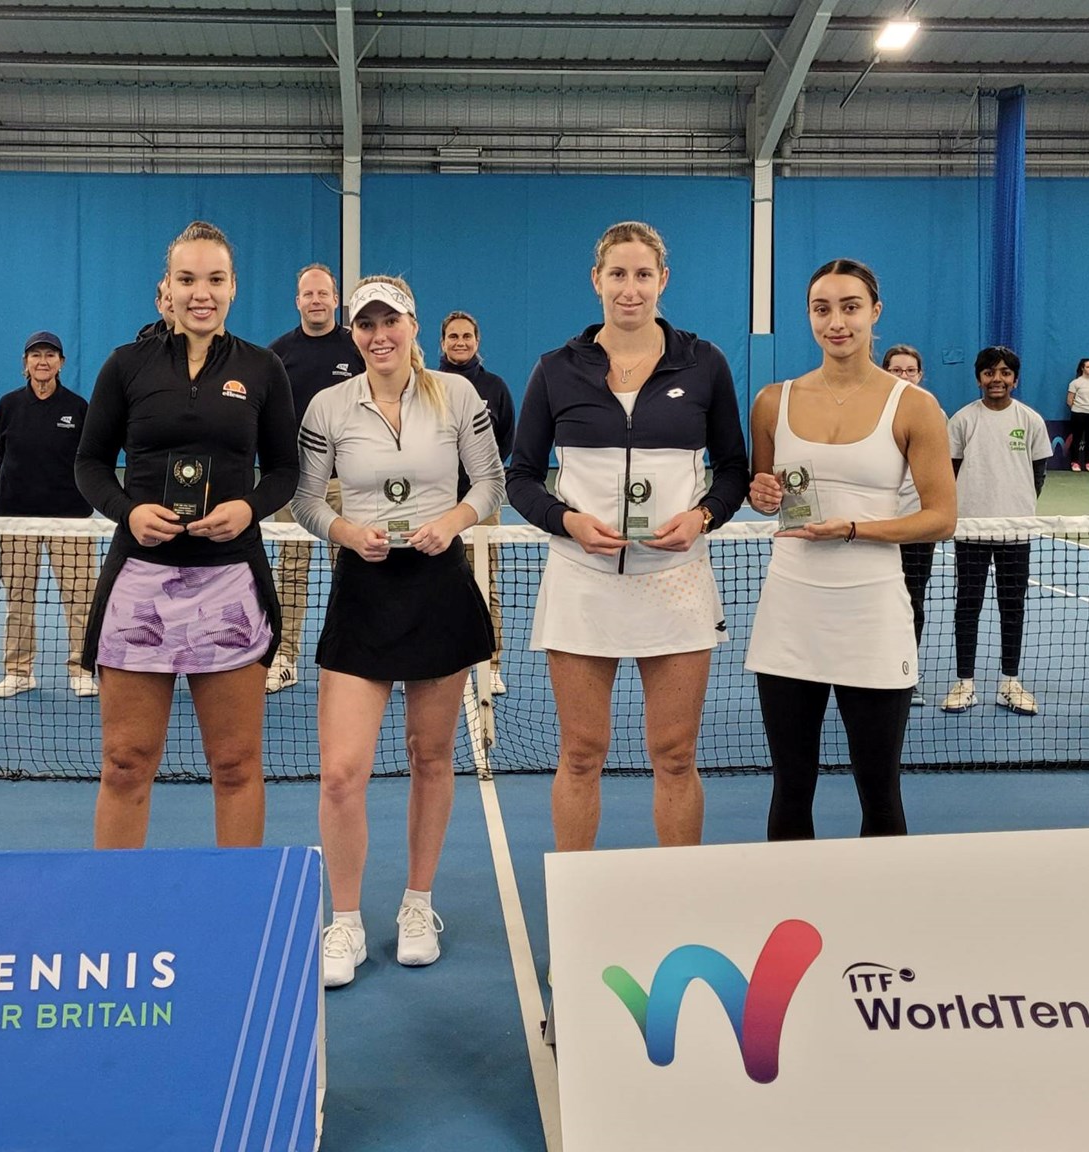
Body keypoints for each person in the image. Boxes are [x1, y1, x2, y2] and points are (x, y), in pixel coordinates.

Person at [506, 221, 749, 852]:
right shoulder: (555, 370)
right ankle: (579, 906)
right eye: (618, 274)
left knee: (674, 755)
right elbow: (522, 479)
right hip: (582, 585)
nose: (630, 289)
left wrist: (702, 517)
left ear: (663, 280)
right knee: (581, 754)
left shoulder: (705, 364)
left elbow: (734, 470)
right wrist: (569, 522)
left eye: (644, 275)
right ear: (597, 280)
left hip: (677, 585)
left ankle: (677, 905)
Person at [295, 276, 503, 988]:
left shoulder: (460, 397)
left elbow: (490, 484)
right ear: (353, 334)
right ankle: (345, 922)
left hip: (439, 587)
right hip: (364, 589)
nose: (379, 334)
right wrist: (346, 529)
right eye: (366, 324)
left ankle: (418, 905)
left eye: (391, 320)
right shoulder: (328, 406)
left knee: (431, 757)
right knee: (341, 772)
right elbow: (302, 499)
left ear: (413, 324)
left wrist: (453, 521)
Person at [74, 221, 298, 850]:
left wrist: (249, 509)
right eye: (188, 278)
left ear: (233, 289)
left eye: (215, 279)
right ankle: (117, 904)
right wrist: (127, 511)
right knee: (124, 763)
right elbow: (89, 464)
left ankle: (239, 905)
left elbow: (286, 470)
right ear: (166, 289)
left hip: (231, 584)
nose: (202, 292)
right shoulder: (126, 366)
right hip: (139, 586)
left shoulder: (263, 368)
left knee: (235, 766)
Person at [745, 259, 954, 839]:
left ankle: (880, 921)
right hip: (791, 611)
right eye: (822, 308)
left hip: (873, 612)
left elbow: (942, 517)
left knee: (880, 787)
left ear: (874, 313)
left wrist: (855, 529)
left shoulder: (914, 406)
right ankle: (794, 916)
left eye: (850, 307)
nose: (836, 322)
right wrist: (759, 494)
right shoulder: (771, 402)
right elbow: (765, 492)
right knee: (790, 784)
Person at [267, 263, 365, 693]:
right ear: (298, 301)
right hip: (296, 484)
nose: (316, 301)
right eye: (308, 295)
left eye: (323, 294)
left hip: (350, 482)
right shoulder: (278, 354)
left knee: (356, 571)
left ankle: (358, 653)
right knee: (290, 571)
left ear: (335, 299)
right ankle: (284, 657)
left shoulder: (357, 348)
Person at [940, 346, 1051, 716]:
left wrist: (1015, 508)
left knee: (1012, 607)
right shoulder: (962, 420)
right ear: (979, 378)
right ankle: (965, 683)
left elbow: (1037, 475)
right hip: (970, 528)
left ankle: (1010, 682)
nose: (997, 379)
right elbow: (950, 472)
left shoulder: (1031, 420)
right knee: (967, 606)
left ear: (1015, 379)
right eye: (990, 373)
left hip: (1015, 531)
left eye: (1005, 372)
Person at [0, 331, 99, 699]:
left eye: (50, 355)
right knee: (18, 599)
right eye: (35, 355)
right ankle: (19, 671)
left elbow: (88, 460)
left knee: (81, 599)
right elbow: (3, 457)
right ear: (25, 363)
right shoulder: (7, 405)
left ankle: (82, 669)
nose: (42, 361)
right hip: (15, 519)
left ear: (61, 363)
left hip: (70, 519)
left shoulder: (79, 407)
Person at [439, 309, 516, 695]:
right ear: (442, 343)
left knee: (485, 583)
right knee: (428, 584)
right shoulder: (427, 384)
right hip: (431, 502)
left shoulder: (496, 388)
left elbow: (505, 440)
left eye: (466, 336)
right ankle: (430, 658)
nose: (460, 342)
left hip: (480, 504)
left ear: (477, 340)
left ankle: (491, 663)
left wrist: (480, 482)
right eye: (453, 336)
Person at [881, 344, 934, 707]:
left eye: (910, 371)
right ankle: (866, 669)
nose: (903, 377)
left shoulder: (932, 413)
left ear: (920, 375)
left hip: (915, 528)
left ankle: (905, 671)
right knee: (871, 601)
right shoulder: (868, 410)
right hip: (873, 528)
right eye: (896, 370)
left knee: (913, 600)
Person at [1066, 358, 1089, 472]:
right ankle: (1075, 462)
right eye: (1088, 367)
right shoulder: (1075, 383)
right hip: (1078, 413)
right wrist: (1078, 409)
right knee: (1076, 438)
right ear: (1082, 368)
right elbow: (1069, 400)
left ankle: (1088, 463)